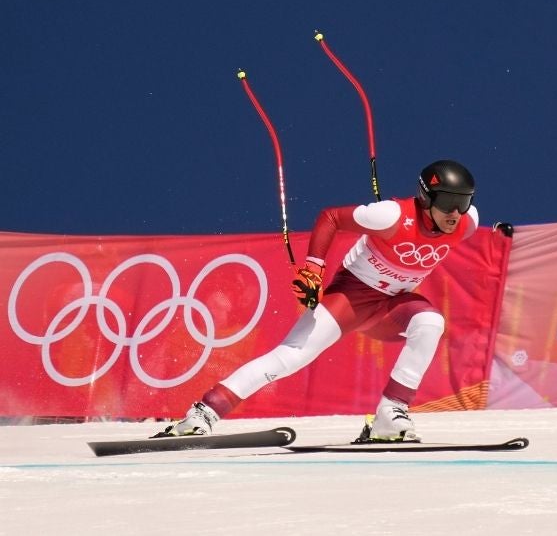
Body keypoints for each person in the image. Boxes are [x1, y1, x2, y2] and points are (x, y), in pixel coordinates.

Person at [159, 159, 479, 441]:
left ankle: (389, 415)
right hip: (352, 298)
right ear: (426, 198)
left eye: (463, 202)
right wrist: (314, 267)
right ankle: (202, 414)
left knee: (431, 322)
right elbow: (331, 218)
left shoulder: (467, 221)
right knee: (291, 356)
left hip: (393, 305)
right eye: (448, 201)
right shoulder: (391, 215)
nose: (455, 213)